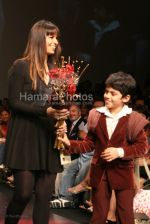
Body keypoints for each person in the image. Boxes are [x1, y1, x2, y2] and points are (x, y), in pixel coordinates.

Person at [58, 71, 149, 224]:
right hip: (99, 172)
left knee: (125, 215)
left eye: (113, 93)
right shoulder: (96, 116)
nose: (107, 96)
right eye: (106, 91)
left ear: (125, 98)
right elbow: (89, 144)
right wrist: (69, 143)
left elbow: (142, 147)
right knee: (98, 215)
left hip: (123, 172)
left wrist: (119, 152)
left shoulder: (133, 119)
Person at [4, 20, 69, 224]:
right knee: (23, 193)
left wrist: (61, 118)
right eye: (51, 36)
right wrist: (47, 111)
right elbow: (14, 102)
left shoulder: (56, 71)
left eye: (56, 37)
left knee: (43, 197)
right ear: (39, 38)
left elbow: (58, 103)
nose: (55, 41)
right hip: (25, 135)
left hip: (47, 136)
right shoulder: (21, 66)